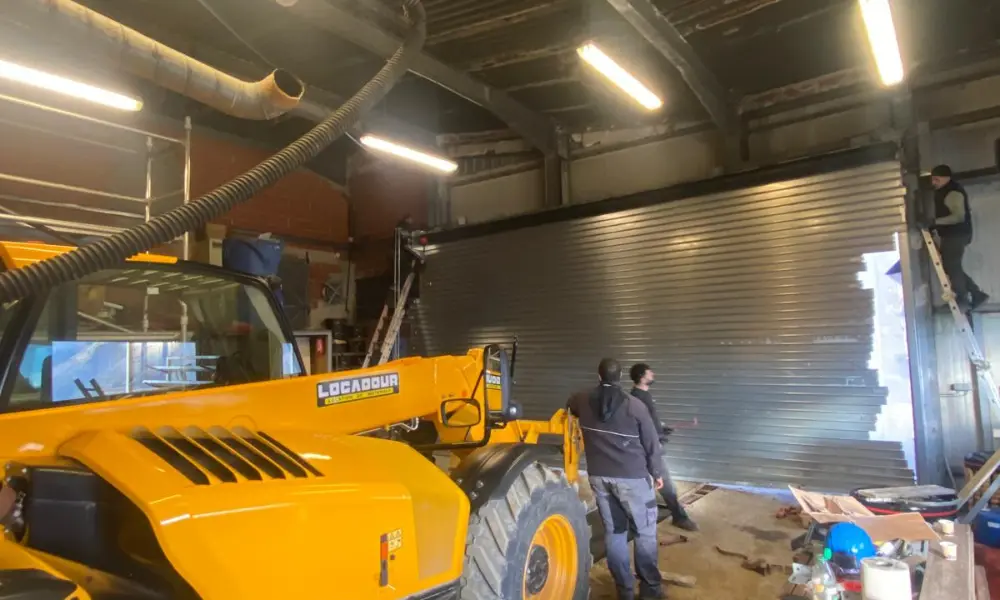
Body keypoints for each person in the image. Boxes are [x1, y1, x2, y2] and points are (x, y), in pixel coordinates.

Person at [567, 358, 666, 600]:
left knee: (615, 532)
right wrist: (657, 473)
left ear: (599, 376)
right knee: (644, 533)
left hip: (599, 478)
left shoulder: (581, 400)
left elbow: (569, 406)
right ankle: (650, 590)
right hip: (633, 479)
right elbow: (652, 443)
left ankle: (625, 591)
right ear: (620, 376)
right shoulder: (635, 406)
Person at [629, 363, 698, 532]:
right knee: (665, 484)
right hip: (648, 447)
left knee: (657, 483)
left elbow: (650, 421)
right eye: (649, 372)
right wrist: (655, 438)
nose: (652, 374)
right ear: (641, 377)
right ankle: (679, 517)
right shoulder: (637, 398)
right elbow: (641, 425)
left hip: (651, 444)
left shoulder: (643, 395)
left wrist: (661, 428)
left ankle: (647, 517)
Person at [929, 165, 988, 311]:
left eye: (936, 179)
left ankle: (963, 300)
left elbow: (958, 217)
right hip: (952, 234)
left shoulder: (953, 192)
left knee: (952, 265)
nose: (934, 182)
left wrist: (934, 222)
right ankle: (976, 293)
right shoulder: (944, 191)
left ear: (946, 178)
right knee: (951, 266)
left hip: (957, 234)